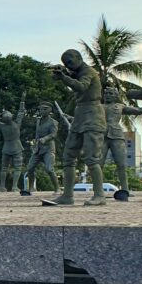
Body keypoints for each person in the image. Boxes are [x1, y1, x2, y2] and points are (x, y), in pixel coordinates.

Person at [50, 49, 106, 206]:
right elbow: (66, 78)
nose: (68, 65)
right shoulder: (76, 73)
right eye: (65, 64)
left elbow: (81, 86)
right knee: (68, 156)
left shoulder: (89, 72)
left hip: (93, 115)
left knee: (91, 158)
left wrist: (64, 77)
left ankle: (99, 195)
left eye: (69, 62)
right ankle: (67, 196)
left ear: (79, 58)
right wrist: (60, 74)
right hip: (80, 116)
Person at [0, 94, 26, 192]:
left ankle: (2, 186)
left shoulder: (2, 126)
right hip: (17, 147)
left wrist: (0, 114)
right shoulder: (16, 124)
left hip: (6, 147)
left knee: (4, 168)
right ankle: (14, 186)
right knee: (17, 167)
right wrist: (22, 100)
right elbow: (21, 112)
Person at [23, 102, 59, 192]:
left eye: (44, 109)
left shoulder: (53, 122)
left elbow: (54, 134)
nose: (42, 111)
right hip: (38, 149)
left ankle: (57, 189)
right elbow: (37, 134)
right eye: (40, 109)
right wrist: (35, 144)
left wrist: (45, 138)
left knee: (49, 169)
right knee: (30, 168)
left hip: (48, 149)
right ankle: (31, 188)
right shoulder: (38, 121)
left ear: (49, 110)